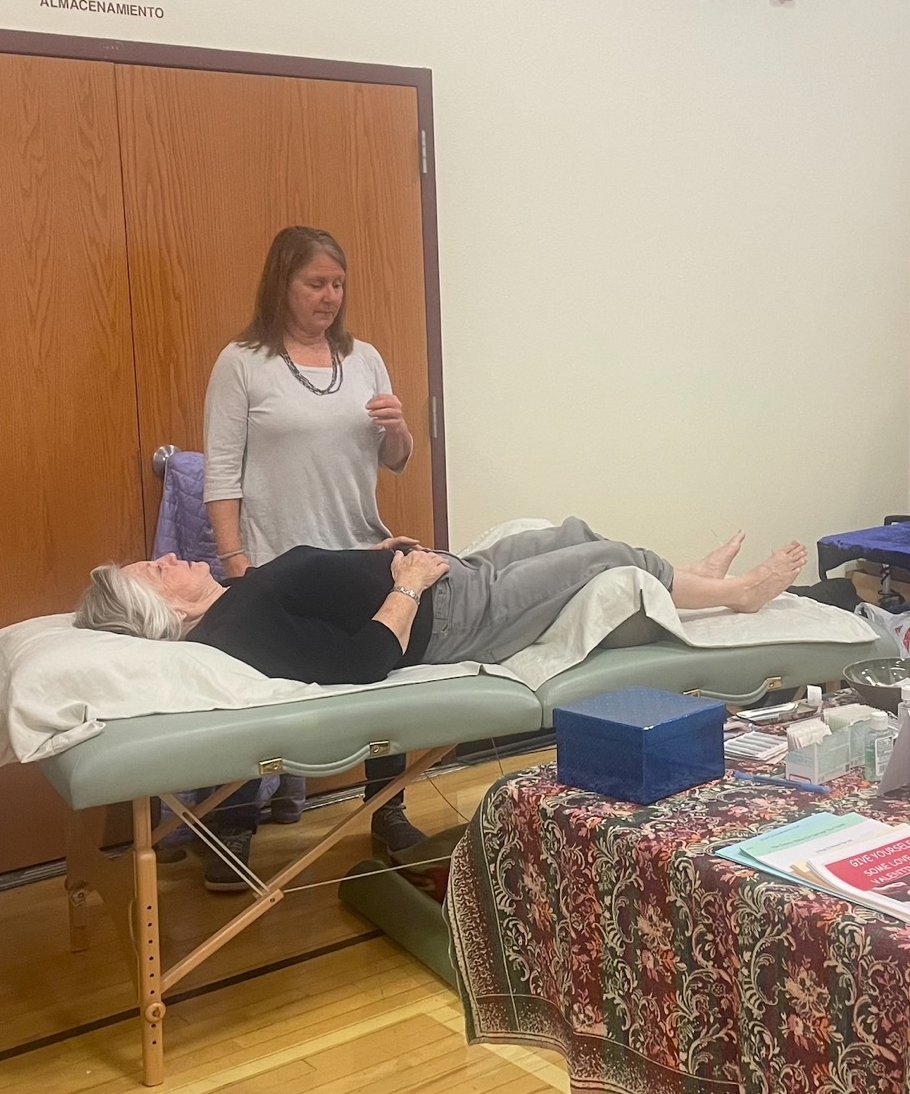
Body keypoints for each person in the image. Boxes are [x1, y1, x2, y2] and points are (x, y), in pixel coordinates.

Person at [198, 226, 421, 882]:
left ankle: (388, 807)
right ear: (282, 285)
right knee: (254, 700)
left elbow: (397, 461)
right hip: (275, 567)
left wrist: (399, 429)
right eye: (315, 284)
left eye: (338, 285)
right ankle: (231, 825)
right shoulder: (242, 363)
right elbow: (221, 472)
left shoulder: (366, 359)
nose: (330, 297)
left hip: (358, 553)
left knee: (382, 682)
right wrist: (236, 561)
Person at [76, 520, 808, 680]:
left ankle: (690, 576)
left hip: (444, 576)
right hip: (459, 616)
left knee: (573, 530)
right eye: (155, 570)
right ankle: (735, 596)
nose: (170, 555)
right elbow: (362, 660)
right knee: (609, 559)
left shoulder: (232, 601)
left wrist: (378, 561)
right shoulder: (232, 632)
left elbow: (320, 592)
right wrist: (404, 585)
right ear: (163, 614)